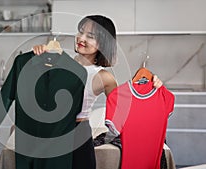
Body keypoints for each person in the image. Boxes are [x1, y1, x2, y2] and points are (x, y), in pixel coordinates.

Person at [32, 15, 163, 169]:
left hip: (78, 135)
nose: (81, 38)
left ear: (103, 44)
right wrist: (38, 57)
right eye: (81, 32)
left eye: (90, 36)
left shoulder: (103, 77)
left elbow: (127, 111)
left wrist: (151, 88)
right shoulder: (57, 62)